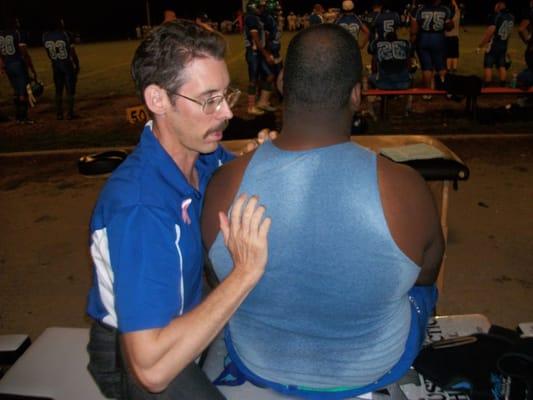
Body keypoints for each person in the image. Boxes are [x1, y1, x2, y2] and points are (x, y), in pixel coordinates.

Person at [202, 23, 443, 398]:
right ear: (357, 96)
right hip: (370, 367)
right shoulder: (405, 187)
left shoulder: (224, 183)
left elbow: (219, 283)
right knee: (417, 288)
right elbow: (426, 277)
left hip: (256, 359)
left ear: (282, 83)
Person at [85, 19, 272, 400]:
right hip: (137, 359)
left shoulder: (199, 156)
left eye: (226, 95)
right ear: (158, 100)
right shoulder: (141, 207)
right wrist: (246, 272)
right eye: (209, 100)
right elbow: (151, 369)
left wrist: (261, 157)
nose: (226, 113)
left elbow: (228, 167)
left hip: (183, 313)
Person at [410, 0, 454, 95]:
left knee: (426, 67)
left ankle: (427, 92)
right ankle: (446, 90)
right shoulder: (445, 9)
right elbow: (449, 27)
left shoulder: (418, 10)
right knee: (441, 66)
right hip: (438, 38)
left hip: (423, 38)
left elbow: (414, 30)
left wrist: (412, 44)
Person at [0, 17, 37, 124]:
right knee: (23, 92)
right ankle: (22, 117)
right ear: (13, 23)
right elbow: (24, 54)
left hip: (8, 64)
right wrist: (32, 68)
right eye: (16, 21)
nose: (18, 22)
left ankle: (18, 116)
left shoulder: (1, 34)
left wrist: (2, 66)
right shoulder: (18, 33)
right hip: (17, 64)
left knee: (16, 91)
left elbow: (0, 53)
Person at [42, 18, 80, 120]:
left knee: (58, 90)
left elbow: (48, 51)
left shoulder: (45, 36)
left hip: (55, 64)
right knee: (70, 89)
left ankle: (59, 113)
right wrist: (77, 64)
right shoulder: (65, 34)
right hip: (66, 64)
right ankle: (70, 113)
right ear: (58, 24)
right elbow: (72, 52)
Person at [243, 0, 276, 115]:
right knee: (253, 80)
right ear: (253, 7)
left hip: (259, 53)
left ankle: (262, 102)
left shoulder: (257, 18)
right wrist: (266, 54)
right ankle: (251, 107)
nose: (262, 9)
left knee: (270, 75)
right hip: (253, 53)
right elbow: (256, 39)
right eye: (259, 7)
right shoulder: (250, 17)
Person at [477, 1, 514, 86]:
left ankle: (487, 82)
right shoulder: (511, 17)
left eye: (495, 7)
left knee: (488, 64)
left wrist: (480, 45)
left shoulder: (497, 16)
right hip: (504, 44)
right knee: (501, 64)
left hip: (494, 44)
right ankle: (502, 83)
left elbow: (490, 32)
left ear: (498, 7)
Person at [445, 0, 461, 73]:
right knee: (454, 54)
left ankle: (448, 68)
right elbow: (457, 9)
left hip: (447, 38)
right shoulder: (457, 16)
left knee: (448, 54)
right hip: (455, 37)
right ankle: (454, 68)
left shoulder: (446, 18)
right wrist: (454, 3)